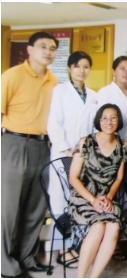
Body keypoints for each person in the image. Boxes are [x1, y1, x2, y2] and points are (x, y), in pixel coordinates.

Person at [1, 32, 59, 277]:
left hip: (42, 146)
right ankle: (4, 264)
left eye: (52, 48)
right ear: (30, 50)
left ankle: (26, 258)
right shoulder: (12, 75)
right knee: (8, 208)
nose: (48, 51)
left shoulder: (53, 80)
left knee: (35, 207)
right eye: (43, 46)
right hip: (14, 143)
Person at [47, 51, 97, 265]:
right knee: (61, 200)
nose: (82, 71)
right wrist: (67, 148)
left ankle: (77, 247)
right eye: (77, 66)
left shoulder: (93, 95)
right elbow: (54, 123)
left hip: (84, 156)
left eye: (86, 67)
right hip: (64, 153)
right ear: (69, 68)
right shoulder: (59, 91)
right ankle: (62, 249)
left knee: (79, 200)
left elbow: (94, 126)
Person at [68, 104, 127, 279]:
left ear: (119, 121)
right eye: (105, 118)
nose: (109, 122)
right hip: (83, 198)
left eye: (113, 118)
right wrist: (93, 200)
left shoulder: (123, 145)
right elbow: (73, 178)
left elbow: (119, 178)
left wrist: (109, 198)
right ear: (99, 120)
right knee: (98, 226)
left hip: (107, 198)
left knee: (113, 227)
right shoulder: (85, 142)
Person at [94, 56, 127, 149]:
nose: (126, 72)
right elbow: (99, 123)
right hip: (111, 147)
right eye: (122, 68)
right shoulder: (104, 93)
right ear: (113, 71)